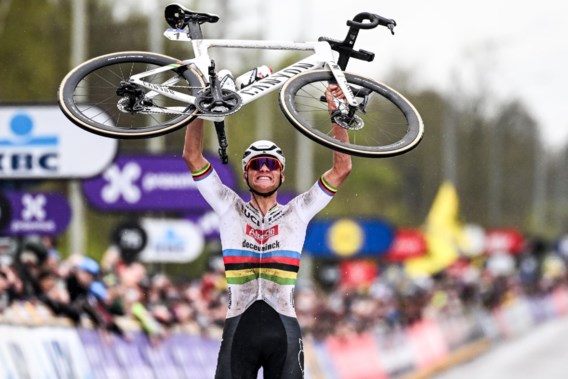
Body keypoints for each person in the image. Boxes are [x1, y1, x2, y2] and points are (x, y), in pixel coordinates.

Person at [183, 84, 351, 379]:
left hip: (283, 330)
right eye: (256, 164)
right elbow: (192, 156)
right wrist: (200, 106)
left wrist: (335, 114)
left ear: (281, 174)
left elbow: (342, 169)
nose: (264, 169)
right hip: (239, 331)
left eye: (270, 164)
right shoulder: (228, 206)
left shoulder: (296, 212)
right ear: (246, 173)